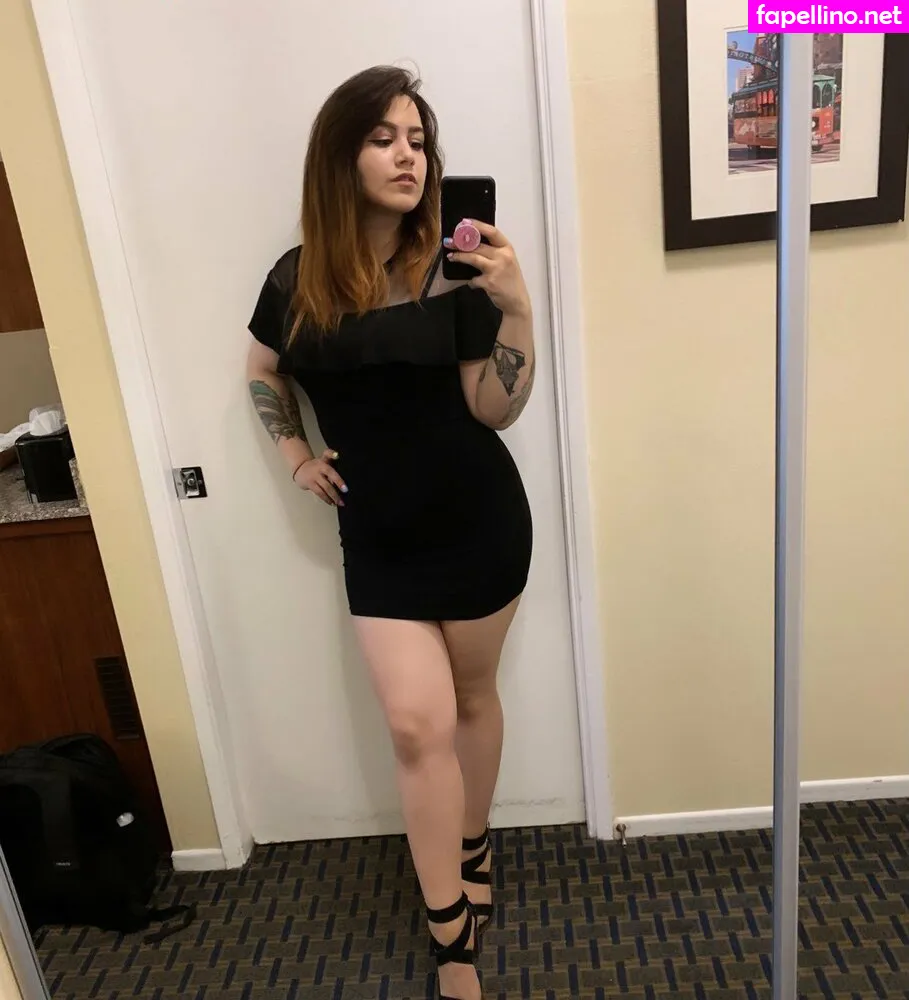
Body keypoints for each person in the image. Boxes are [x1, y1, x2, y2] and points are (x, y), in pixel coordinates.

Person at [245, 65, 535, 1000]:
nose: (407, 156)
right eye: (383, 139)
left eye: (417, 140)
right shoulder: (296, 280)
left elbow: (494, 409)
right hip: (377, 538)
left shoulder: (454, 266)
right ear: (341, 157)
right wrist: (295, 455)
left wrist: (517, 308)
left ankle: (473, 841)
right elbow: (260, 370)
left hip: (478, 520)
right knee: (416, 725)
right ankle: (452, 936)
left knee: (472, 698)